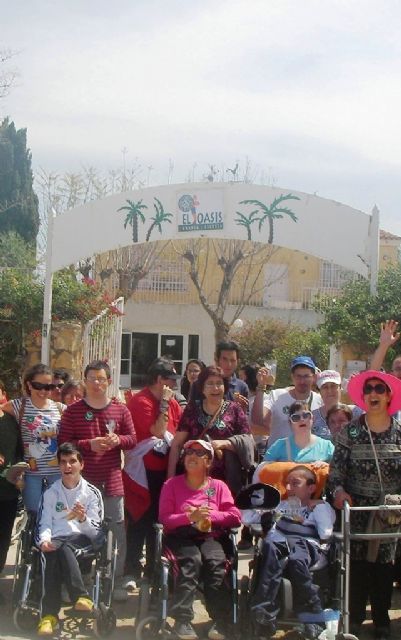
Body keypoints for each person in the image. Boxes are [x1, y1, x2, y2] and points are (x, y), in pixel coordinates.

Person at [329, 370, 401, 640]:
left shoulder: (399, 433)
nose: (373, 393)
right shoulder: (351, 431)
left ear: (388, 396)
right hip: (356, 511)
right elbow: (336, 472)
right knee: (357, 567)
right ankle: (355, 619)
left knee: (385, 567)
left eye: (379, 389)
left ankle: (382, 620)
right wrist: (338, 492)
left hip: (390, 515)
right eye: (369, 389)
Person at [58, 360, 136, 601]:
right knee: (79, 532)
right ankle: (78, 583)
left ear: (109, 381)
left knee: (116, 533)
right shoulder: (73, 411)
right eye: (92, 378)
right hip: (82, 485)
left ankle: (115, 580)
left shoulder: (120, 410)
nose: (97, 383)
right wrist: (87, 445)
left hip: (112, 481)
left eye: (101, 379)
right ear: (85, 380)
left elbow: (133, 439)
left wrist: (118, 441)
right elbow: (63, 445)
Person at [159, 439, 241, 640]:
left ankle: (219, 619)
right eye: (188, 452)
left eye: (199, 453)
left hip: (210, 536)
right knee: (191, 562)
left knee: (216, 564)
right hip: (180, 537)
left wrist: (211, 516)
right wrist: (190, 517)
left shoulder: (218, 486)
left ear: (209, 462)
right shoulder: (171, 485)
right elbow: (164, 518)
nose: (192, 456)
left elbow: (235, 516)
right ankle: (182, 619)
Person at [245, 466, 335, 636]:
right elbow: (247, 518)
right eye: (287, 484)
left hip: (306, 543)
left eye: (295, 483)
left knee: (296, 560)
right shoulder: (280, 505)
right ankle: (263, 612)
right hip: (279, 542)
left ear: (311, 488)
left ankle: (313, 617)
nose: (289, 488)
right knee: (269, 549)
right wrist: (261, 505)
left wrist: (317, 508)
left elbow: (325, 533)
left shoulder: (319, 507)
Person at [123, 357, 182, 586]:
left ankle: (153, 569)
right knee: (139, 520)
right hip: (142, 472)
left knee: (159, 522)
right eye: (171, 379)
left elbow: (176, 435)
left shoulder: (175, 403)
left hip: (165, 471)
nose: (175, 384)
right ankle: (131, 569)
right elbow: (157, 432)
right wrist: (164, 404)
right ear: (160, 380)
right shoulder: (141, 401)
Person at [35, 442, 103, 636]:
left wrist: (82, 518)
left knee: (60, 547)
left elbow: (96, 533)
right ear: (59, 466)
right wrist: (44, 540)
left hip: (82, 540)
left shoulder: (91, 493)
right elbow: (44, 523)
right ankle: (76, 600)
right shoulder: (50, 493)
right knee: (50, 549)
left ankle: (50, 615)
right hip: (57, 538)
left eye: (72, 461)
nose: (68, 466)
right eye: (63, 462)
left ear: (82, 465)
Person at [167, 366, 254, 496]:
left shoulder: (234, 410)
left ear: (225, 387)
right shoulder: (192, 409)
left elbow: (249, 442)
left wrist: (224, 444)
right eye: (210, 384)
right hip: (194, 479)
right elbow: (177, 444)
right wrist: (170, 480)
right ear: (202, 388)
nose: (215, 388)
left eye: (219, 383)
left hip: (227, 482)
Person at [2, 363, 64, 512]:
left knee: (55, 516)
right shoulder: (18, 406)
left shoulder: (59, 408)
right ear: (29, 385)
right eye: (38, 385)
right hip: (31, 474)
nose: (43, 391)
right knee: (34, 516)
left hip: (56, 473)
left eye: (48, 387)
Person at [252, 356, 322, 449]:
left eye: (306, 376)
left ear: (313, 377)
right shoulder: (277, 396)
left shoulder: (320, 401)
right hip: (278, 458)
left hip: (308, 459)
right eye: (298, 376)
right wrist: (261, 386)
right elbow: (258, 420)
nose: (302, 381)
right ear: (292, 377)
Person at [260, 401, 334, 466]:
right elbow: (263, 468)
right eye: (296, 417)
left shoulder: (327, 446)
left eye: (306, 415)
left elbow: (340, 471)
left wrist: (327, 466)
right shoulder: (280, 445)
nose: (302, 419)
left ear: (312, 419)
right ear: (290, 423)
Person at [0, 400, 23, 605]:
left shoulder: (11, 422)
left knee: (2, 541)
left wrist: (16, 471)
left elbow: (20, 452)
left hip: (6, 491)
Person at [312, 370, 362, 440]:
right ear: (319, 391)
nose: (329, 391)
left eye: (333, 386)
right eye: (325, 387)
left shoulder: (356, 412)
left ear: (340, 388)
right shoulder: (312, 417)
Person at [215, 340, 249, 409]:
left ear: (237, 362)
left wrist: (241, 409)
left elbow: (245, 417)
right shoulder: (202, 384)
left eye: (232, 360)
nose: (229, 364)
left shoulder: (242, 387)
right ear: (217, 360)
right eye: (225, 359)